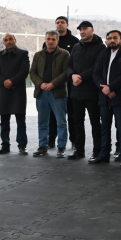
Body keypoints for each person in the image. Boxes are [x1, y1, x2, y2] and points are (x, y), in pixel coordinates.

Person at [91, 30, 121, 167]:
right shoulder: (103, 53)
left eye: (115, 38)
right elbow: (96, 73)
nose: (112, 40)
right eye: (109, 38)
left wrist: (111, 87)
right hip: (104, 98)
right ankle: (104, 155)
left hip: (120, 97)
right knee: (104, 128)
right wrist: (104, 88)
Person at [65, 21, 105, 160]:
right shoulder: (76, 46)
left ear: (92, 30)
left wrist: (81, 77)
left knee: (95, 123)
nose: (82, 31)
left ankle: (97, 151)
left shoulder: (100, 47)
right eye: (80, 29)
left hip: (92, 91)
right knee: (77, 122)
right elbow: (69, 65)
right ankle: (79, 151)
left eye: (85, 29)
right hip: (76, 91)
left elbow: (97, 67)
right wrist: (72, 75)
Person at [30, 30, 70, 157]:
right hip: (41, 93)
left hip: (58, 93)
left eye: (53, 39)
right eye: (48, 39)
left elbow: (66, 73)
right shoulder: (38, 55)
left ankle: (61, 147)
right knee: (42, 122)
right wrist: (41, 84)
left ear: (57, 41)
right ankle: (43, 146)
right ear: (45, 40)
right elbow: (32, 73)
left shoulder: (65, 54)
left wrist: (52, 84)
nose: (50, 41)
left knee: (61, 122)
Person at [0, 33, 30, 155]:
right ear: (3, 42)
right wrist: (4, 82)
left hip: (18, 91)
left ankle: (22, 146)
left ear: (15, 40)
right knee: (4, 121)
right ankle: (5, 145)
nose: (8, 41)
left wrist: (12, 81)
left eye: (10, 39)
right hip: (4, 91)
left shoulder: (23, 54)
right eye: (6, 40)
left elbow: (24, 71)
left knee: (21, 121)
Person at [45, 16, 79, 149]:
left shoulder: (74, 42)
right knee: (52, 114)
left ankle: (74, 141)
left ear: (67, 25)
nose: (60, 24)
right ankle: (51, 139)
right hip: (54, 85)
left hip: (69, 85)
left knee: (72, 114)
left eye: (62, 22)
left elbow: (74, 63)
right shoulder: (49, 42)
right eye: (58, 22)